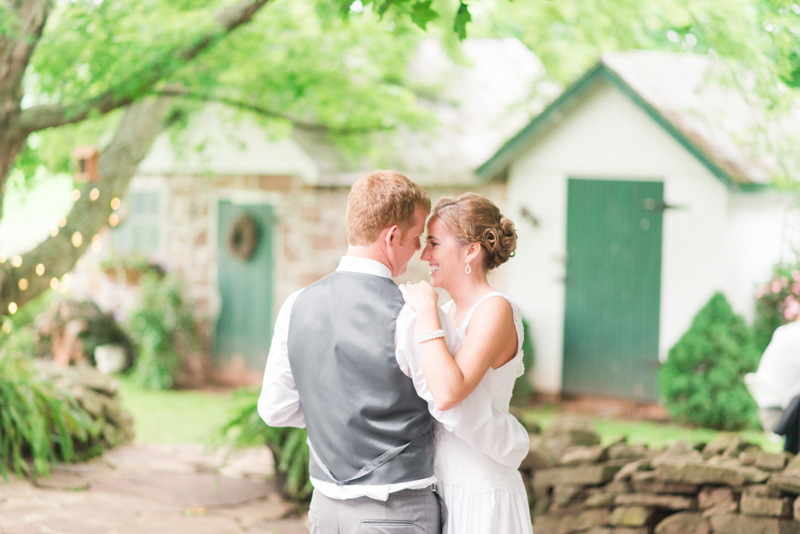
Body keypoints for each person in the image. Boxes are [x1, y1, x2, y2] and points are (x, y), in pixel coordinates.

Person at [258, 171, 529, 534]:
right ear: (391, 237)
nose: (422, 251)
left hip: (324, 508)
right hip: (396, 510)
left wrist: (339, 421)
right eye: (419, 238)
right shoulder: (412, 313)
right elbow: (450, 405)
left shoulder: (295, 304)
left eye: (432, 242)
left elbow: (275, 409)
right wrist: (516, 442)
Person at [399, 193, 534, 534]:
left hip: (481, 491)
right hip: (442, 486)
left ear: (471, 250)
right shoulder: (446, 313)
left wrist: (427, 311)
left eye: (433, 243)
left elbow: (448, 392)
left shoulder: (495, 309)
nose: (424, 254)